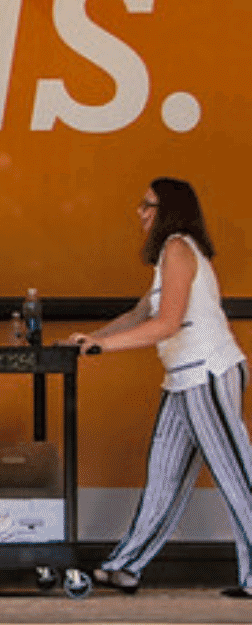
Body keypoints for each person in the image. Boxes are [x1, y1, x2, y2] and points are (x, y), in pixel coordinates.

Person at [67, 177, 252, 598]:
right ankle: (126, 566)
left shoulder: (178, 249)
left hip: (207, 373)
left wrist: (104, 346)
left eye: (147, 204)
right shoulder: (168, 257)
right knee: (163, 478)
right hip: (183, 378)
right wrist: (87, 339)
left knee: (238, 475)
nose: (140, 212)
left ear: (169, 210)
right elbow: (140, 313)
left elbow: (166, 324)